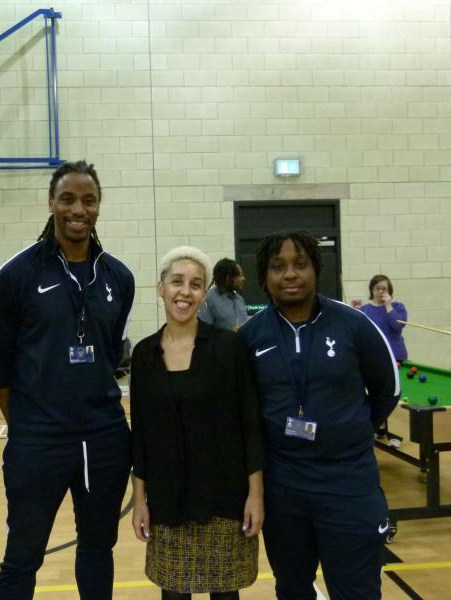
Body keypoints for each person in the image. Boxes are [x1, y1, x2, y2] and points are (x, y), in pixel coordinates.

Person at [0, 160, 135, 600]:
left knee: (98, 547)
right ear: (51, 203)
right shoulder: (16, 274)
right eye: (67, 198)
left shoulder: (118, 277)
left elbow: (113, 355)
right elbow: (1, 364)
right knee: (23, 554)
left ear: (98, 207)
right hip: (38, 440)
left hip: (105, 438)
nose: (78, 209)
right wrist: (28, 427)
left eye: (88, 200)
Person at [238, 230, 400, 600]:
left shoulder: (353, 324)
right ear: (264, 277)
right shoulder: (250, 336)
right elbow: (244, 413)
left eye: (300, 264)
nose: (290, 274)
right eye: (278, 267)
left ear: (316, 269)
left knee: (356, 590)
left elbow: (387, 392)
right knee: (293, 589)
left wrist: (348, 431)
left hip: (348, 484)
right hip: (283, 489)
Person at [130, 246, 264, 600]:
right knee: (173, 595)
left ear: (204, 294)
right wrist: (140, 499)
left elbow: (250, 424)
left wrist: (255, 494)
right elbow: (141, 434)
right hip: (167, 502)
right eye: (177, 282)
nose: (184, 292)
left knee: (224, 594)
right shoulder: (144, 354)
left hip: (224, 500)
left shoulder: (229, 348)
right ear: (161, 288)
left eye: (195, 285)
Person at [358, 274, 408, 362]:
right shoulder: (364, 309)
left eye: (384, 289)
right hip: (373, 356)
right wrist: (354, 311)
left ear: (389, 291)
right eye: (377, 288)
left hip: (396, 356)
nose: (380, 291)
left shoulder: (398, 307)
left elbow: (397, 326)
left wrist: (388, 305)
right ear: (372, 290)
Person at [198, 258, 249, 331]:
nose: (243, 279)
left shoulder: (240, 300)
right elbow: (205, 332)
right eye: (240, 276)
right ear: (227, 278)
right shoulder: (208, 299)